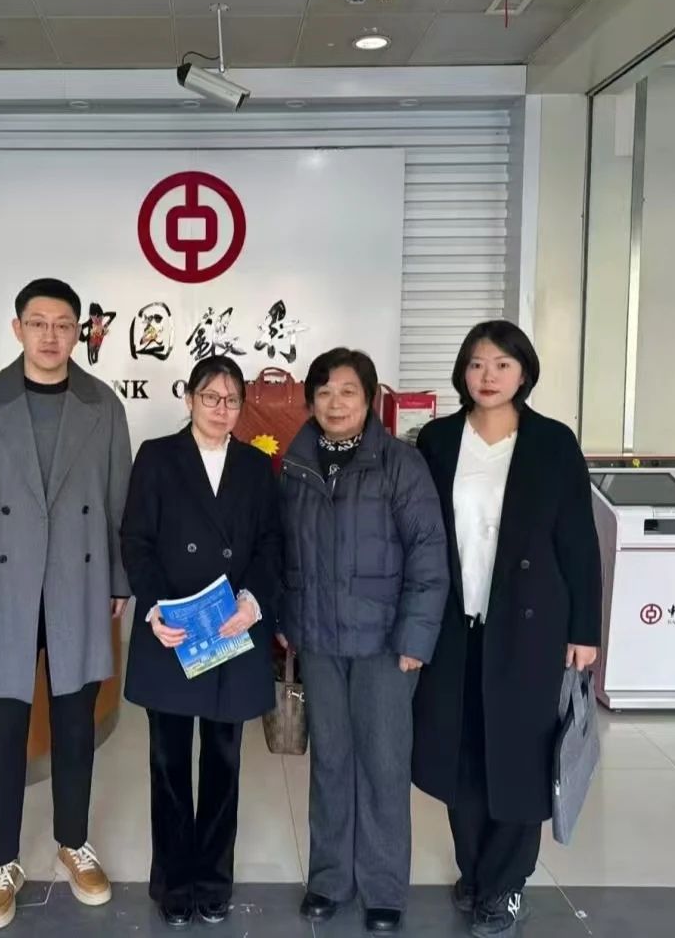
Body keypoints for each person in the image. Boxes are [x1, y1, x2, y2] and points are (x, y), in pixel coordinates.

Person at [0, 277, 132, 931]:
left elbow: (118, 502)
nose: (51, 335)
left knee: (75, 724)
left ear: (80, 331)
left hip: (80, 583)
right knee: (2, 727)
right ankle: (2, 861)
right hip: (5, 587)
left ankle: (73, 842)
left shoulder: (102, 403)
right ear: (17, 327)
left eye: (63, 324)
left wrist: (119, 580)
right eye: (38, 322)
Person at [412, 321, 601, 938]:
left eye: (501, 364)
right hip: (455, 625)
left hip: (529, 628)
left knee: (520, 756)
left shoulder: (552, 443)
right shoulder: (438, 440)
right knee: (461, 753)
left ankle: (506, 883)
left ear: (524, 373)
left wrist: (584, 629)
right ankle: (474, 869)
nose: (487, 376)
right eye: (476, 364)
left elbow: (578, 541)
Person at [278, 348, 449, 935]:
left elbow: (428, 553)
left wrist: (416, 637)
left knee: (382, 763)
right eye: (324, 392)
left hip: (384, 644)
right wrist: (288, 619)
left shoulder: (400, 463)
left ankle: (382, 887)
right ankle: (329, 880)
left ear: (370, 398)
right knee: (330, 761)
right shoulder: (297, 463)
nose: (335, 403)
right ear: (311, 401)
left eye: (348, 391)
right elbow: (285, 549)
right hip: (320, 641)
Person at [120, 355, 282, 928]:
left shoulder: (256, 466)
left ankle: (213, 882)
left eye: (232, 399)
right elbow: (135, 539)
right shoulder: (157, 457)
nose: (221, 408)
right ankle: (173, 882)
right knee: (167, 765)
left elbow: (271, 543)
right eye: (211, 397)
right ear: (189, 399)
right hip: (176, 631)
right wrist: (155, 607)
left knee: (223, 763)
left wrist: (253, 601)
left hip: (230, 632)